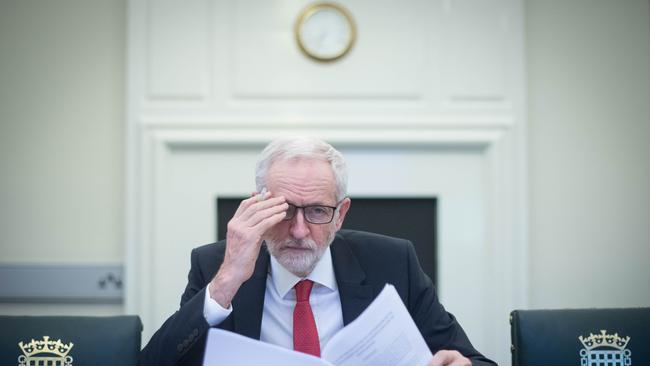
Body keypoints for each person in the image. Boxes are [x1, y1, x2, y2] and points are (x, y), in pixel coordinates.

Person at [139, 137, 496, 366]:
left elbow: (477, 361)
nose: (298, 230)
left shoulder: (392, 262)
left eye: (317, 211)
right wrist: (226, 282)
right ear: (258, 206)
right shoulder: (215, 265)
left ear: (340, 214)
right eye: (284, 209)